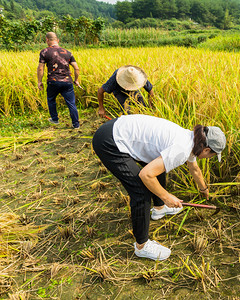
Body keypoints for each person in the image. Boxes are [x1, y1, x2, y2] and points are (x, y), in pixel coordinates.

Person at [92, 114, 226, 261]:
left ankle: (159, 209)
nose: (210, 157)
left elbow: (194, 168)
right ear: (206, 150)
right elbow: (146, 175)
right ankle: (142, 246)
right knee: (141, 191)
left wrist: (203, 188)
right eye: (213, 155)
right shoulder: (181, 149)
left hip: (117, 128)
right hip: (109, 141)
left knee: (160, 168)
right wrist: (167, 197)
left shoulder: (192, 140)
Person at [37, 32, 81, 129]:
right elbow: (76, 68)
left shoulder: (44, 52)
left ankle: (55, 119)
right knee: (71, 103)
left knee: (51, 99)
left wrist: (39, 81)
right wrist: (76, 80)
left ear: (47, 40)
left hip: (53, 81)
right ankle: (76, 124)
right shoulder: (68, 53)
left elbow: (41, 68)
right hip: (67, 82)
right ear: (58, 40)